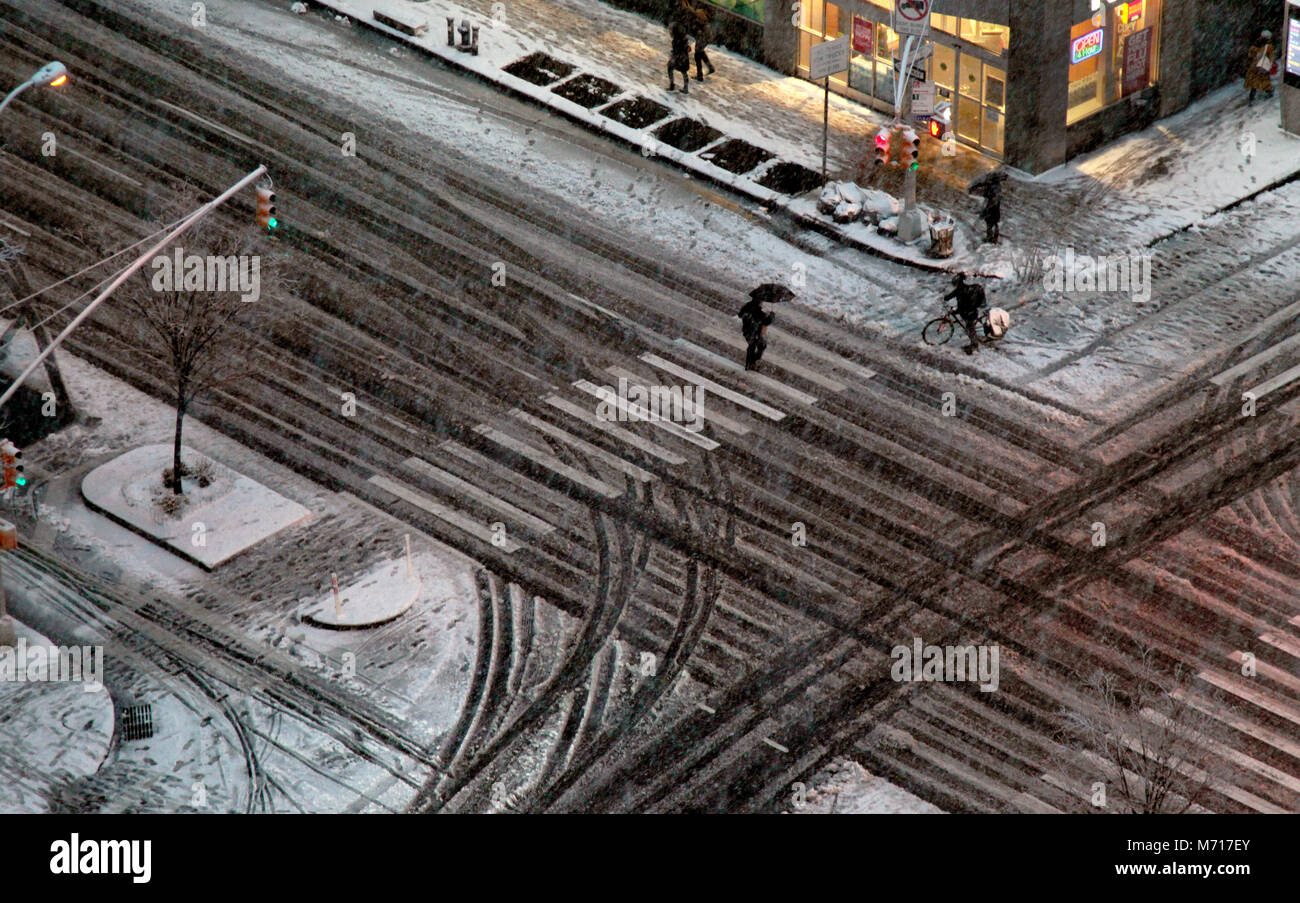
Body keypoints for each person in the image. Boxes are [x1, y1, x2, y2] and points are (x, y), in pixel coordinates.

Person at [943, 273, 986, 354]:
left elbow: (963, 304)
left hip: (970, 312)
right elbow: (950, 296)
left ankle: (974, 346)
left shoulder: (963, 290)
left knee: (970, 328)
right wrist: (945, 298)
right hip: (967, 311)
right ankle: (973, 342)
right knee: (969, 327)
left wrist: (955, 310)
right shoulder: (962, 289)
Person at [738, 297, 774, 370]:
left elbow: (740, 315)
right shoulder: (757, 310)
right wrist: (771, 316)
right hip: (754, 331)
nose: (762, 303)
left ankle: (750, 363)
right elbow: (766, 322)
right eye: (761, 301)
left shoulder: (748, 306)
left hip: (747, 330)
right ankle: (751, 362)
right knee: (760, 345)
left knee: (753, 345)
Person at [685, 1, 716, 82]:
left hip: (704, 34)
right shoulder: (702, 11)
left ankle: (700, 75)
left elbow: (698, 15)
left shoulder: (701, 13)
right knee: (700, 52)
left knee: (697, 54)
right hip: (706, 33)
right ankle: (710, 68)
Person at [1245, 30, 1277, 104]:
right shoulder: (1269, 46)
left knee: (1254, 83)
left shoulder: (1255, 44)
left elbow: (1250, 55)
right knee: (1264, 81)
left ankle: (1251, 98)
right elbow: (1271, 56)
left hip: (1255, 66)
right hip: (1263, 66)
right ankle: (1269, 92)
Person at [667, 17, 693, 94]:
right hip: (684, 58)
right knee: (684, 72)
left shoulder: (676, 41)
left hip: (678, 58)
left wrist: (674, 54)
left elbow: (676, 50)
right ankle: (686, 88)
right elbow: (686, 48)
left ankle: (672, 85)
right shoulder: (683, 39)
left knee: (670, 68)